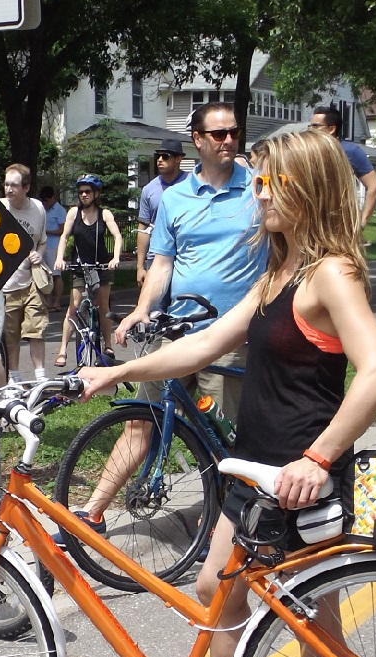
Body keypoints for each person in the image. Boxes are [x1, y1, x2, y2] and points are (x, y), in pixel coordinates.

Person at [81, 128, 376, 657]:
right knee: (214, 589)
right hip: (253, 468)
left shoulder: (331, 273)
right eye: (257, 182)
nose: (259, 195)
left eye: (271, 183)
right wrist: (120, 372)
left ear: (307, 188)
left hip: (301, 476)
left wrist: (319, 457)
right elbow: (201, 346)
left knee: (315, 621)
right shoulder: (278, 273)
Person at [57, 102, 266, 538]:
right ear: (197, 140)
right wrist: (141, 308)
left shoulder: (258, 189)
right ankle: (92, 514)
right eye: (218, 134)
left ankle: (225, 532)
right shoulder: (174, 198)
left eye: (234, 132)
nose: (228, 140)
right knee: (139, 420)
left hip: (232, 333)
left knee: (221, 435)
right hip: (176, 327)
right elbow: (164, 263)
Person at [53, 174, 123, 368]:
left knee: (102, 305)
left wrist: (115, 258)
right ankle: (62, 350)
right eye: (81, 191)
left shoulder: (104, 214)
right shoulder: (73, 213)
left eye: (88, 191)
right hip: (80, 266)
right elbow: (64, 236)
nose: (84, 195)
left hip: (102, 266)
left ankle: (107, 346)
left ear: (96, 193)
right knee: (74, 306)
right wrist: (60, 258)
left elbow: (117, 236)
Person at [0, 164, 48, 382]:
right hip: (6, 285)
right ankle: (15, 377)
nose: (8, 189)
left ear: (26, 187)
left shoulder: (38, 208)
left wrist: (39, 254)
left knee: (36, 330)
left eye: (14, 185)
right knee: (11, 336)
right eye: (6, 184)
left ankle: (41, 377)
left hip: (31, 282)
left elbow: (43, 241)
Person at [309, 105, 376, 229]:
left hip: (339, 225)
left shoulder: (350, 151)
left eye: (316, 126)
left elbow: (374, 187)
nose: (311, 130)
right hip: (310, 222)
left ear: (331, 129)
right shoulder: (306, 151)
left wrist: (362, 222)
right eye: (310, 126)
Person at [136, 137, 188, 290]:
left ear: (178, 159)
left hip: (184, 256)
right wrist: (140, 266)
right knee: (156, 309)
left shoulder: (191, 184)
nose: (159, 160)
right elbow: (143, 228)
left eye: (165, 156)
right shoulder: (149, 190)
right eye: (157, 156)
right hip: (157, 256)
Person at [39, 186, 66, 311]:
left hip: (54, 246)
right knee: (45, 274)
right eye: (43, 200)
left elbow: (62, 230)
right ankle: (48, 300)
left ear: (53, 197)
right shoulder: (43, 209)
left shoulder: (59, 210)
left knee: (55, 274)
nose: (45, 203)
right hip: (43, 245)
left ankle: (57, 301)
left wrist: (47, 231)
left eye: (47, 200)